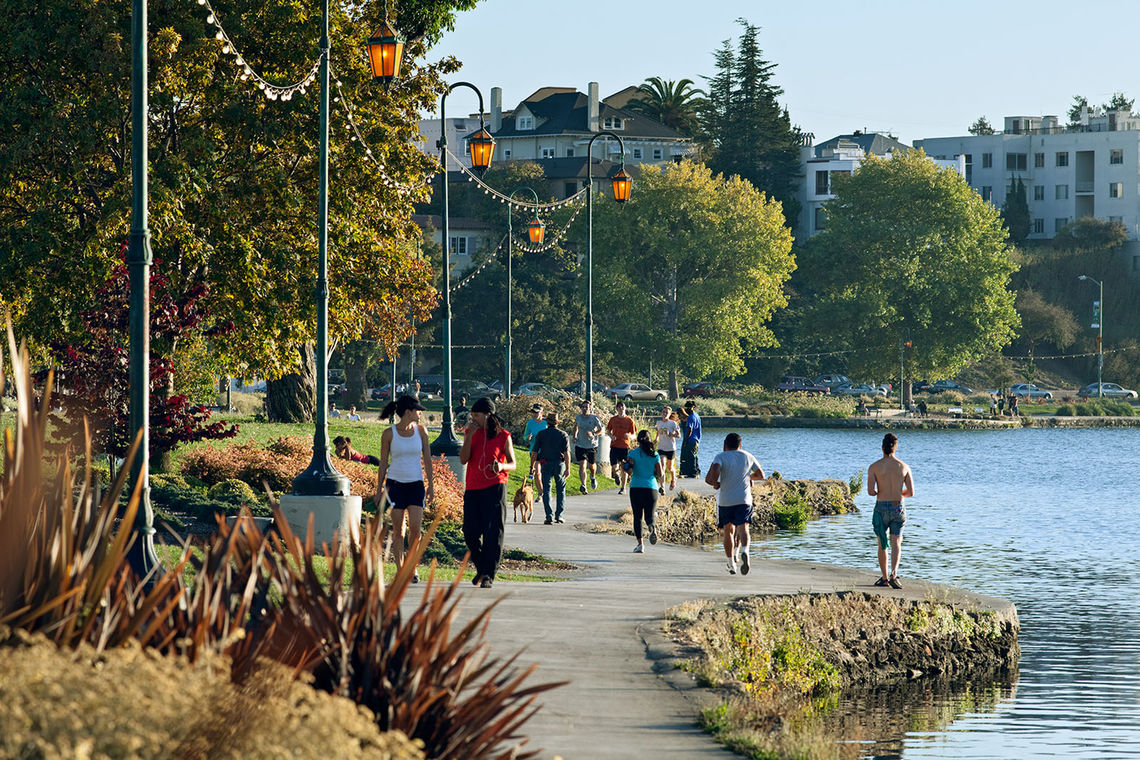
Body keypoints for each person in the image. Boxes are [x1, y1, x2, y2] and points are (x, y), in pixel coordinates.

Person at [375, 396, 435, 584]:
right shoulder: (389, 434)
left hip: (416, 484)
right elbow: (383, 463)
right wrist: (378, 490)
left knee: (416, 530)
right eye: (418, 409)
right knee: (399, 530)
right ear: (408, 411)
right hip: (395, 485)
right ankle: (401, 570)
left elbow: (427, 460)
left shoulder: (421, 431)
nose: (420, 413)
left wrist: (431, 485)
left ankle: (412, 566)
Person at [459, 397, 516, 588]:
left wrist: (501, 466)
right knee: (470, 531)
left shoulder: (503, 435)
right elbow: (463, 459)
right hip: (473, 488)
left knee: (493, 533)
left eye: (476, 415)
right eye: (471, 415)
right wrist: (468, 437)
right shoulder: (470, 432)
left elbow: (513, 464)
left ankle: (488, 575)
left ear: (487, 415)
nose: (472, 418)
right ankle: (482, 568)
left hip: (495, 487)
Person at [705, 433, 765, 575]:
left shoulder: (720, 456)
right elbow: (761, 475)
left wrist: (715, 483)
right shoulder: (748, 456)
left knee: (728, 531)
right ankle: (745, 551)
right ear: (740, 444)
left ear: (725, 444)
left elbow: (715, 469)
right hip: (744, 499)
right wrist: (747, 476)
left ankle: (731, 563)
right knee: (743, 528)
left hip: (726, 500)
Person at [867, 433, 915, 589]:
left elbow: (870, 491)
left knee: (882, 543)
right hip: (898, 507)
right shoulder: (904, 467)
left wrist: (880, 492)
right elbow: (911, 492)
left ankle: (885, 578)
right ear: (896, 448)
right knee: (896, 542)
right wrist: (897, 493)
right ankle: (894, 573)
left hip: (881, 507)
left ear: (882, 447)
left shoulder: (874, 467)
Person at [624, 430, 663, 553]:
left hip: (636, 487)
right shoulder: (654, 454)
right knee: (649, 516)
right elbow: (660, 473)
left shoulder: (632, 454)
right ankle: (652, 528)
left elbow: (629, 471)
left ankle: (640, 545)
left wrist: (625, 466)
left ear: (637, 440)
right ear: (649, 439)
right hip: (651, 487)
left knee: (637, 517)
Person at [533, 411, 571, 524]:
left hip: (545, 463)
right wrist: (568, 468)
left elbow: (534, 452)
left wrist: (532, 466)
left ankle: (548, 515)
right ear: (557, 423)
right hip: (559, 464)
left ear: (547, 422)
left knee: (547, 490)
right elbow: (566, 453)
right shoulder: (563, 434)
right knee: (561, 490)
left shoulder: (541, 434)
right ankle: (559, 515)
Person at [606, 401, 637, 495]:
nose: (620, 409)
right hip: (614, 445)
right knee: (614, 466)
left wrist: (629, 436)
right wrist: (611, 436)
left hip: (624, 447)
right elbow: (608, 429)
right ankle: (616, 475)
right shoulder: (613, 419)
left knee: (624, 468)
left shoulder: (629, 420)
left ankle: (623, 488)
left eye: (622, 407)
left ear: (625, 408)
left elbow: (634, 435)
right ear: (617, 409)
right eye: (619, 407)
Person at [573, 399, 603, 494]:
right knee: (582, 465)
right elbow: (575, 426)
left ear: (590, 408)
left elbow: (602, 429)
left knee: (591, 466)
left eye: (586, 407)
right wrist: (574, 436)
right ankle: (583, 485)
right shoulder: (578, 417)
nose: (584, 409)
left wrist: (593, 434)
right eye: (583, 407)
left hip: (592, 445)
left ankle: (593, 477)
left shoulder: (594, 418)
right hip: (580, 444)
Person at [653, 406, 680, 494]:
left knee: (670, 467)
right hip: (661, 448)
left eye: (666, 413)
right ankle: (662, 487)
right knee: (662, 466)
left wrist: (671, 434)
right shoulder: (659, 423)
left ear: (669, 414)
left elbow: (678, 435)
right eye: (663, 412)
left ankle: (673, 479)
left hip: (671, 448)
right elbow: (658, 432)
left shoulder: (672, 424)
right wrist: (656, 439)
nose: (664, 414)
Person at [523, 403, 547, 479]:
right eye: (533, 412)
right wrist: (527, 437)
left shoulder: (546, 423)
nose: (534, 414)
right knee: (537, 472)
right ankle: (540, 490)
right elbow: (525, 437)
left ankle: (542, 488)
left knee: (543, 473)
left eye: (536, 412)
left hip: (545, 452)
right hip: (534, 451)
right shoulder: (530, 423)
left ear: (542, 413)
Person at [679, 401, 702, 478]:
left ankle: (693, 473)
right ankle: (696, 471)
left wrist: (685, 440)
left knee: (691, 457)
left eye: (688, 408)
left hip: (691, 439)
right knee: (694, 456)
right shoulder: (697, 416)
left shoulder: (691, 417)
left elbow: (689, 429)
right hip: (696, 440)